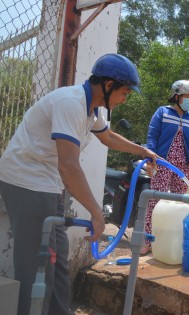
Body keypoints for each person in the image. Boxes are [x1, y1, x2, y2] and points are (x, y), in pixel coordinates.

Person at [0, 53, 160, 315]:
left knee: (58, 260)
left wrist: (142, 151)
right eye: (125, 92)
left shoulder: (91, 108)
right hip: (26, 181)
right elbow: (69, 166)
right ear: (108, 86)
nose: (124, 99)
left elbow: (107, 136)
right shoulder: (71, 103)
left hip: (47, 183)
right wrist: (97, 213)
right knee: (37, 263)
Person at [142, 80, 189, 255]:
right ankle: (148, 241)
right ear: (177, 97)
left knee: (179, 205)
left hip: (183, 167)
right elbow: (152, 136)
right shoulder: (162, 112)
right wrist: (150, 159)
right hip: (161, 163)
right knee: (155, 201)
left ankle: (173, 241)